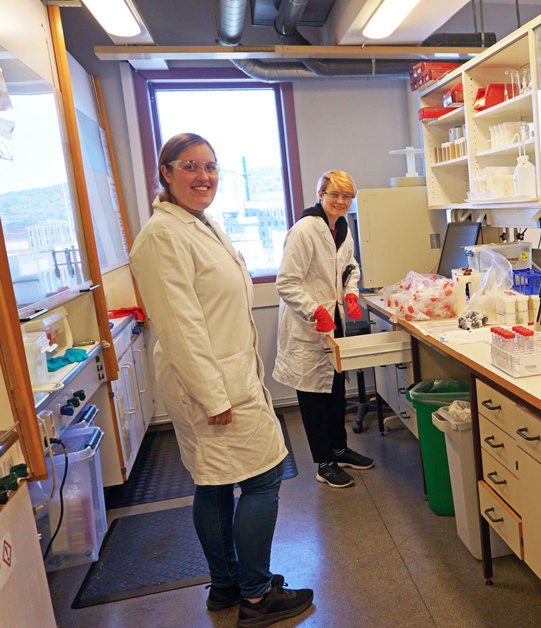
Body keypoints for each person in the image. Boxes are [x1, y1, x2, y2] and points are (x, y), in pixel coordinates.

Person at [129, 133, 313, 627]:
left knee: (212, 484)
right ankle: (255, 597)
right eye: (191, 165)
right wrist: (214, 395)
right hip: (210, 383)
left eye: (211, 166)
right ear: (165, 172)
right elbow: (180, 325)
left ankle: (227, 584)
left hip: (222, 373)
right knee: (263, 477)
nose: (204, 176)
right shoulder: (162, 236)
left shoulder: (197, 223)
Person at [273, 170, 375, 489]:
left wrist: (351, 294)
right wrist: (315, 309)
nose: (341, 202)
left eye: (347, 196)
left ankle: (340, 449)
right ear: (321, 195)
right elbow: (286, 282)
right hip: (308, 325)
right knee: (314, 396)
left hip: (334, 320)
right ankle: (324, 463)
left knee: (335, 390)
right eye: (334, 195)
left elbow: (349, 268)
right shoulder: (304, 230)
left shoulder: (342, 229)